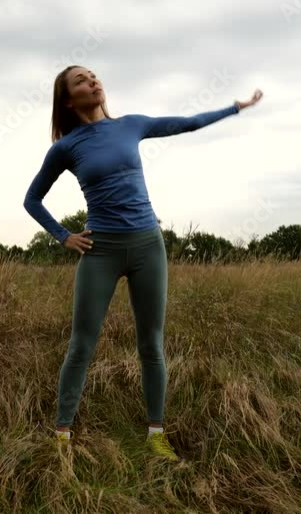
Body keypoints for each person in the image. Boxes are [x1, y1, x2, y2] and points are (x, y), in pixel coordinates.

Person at [23, 65, 263, 461]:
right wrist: (64, 236)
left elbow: (186, 123)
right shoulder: (66, 147)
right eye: (81, 80)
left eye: (94, 76)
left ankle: (155, 434)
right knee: (81, 344)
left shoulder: (131, 125)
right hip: (100, 250)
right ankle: (61, 436)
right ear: (68, 99)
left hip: (148, 245)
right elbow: (32, 199)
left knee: (151, 343)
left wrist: (235, 107)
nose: (93, 81)